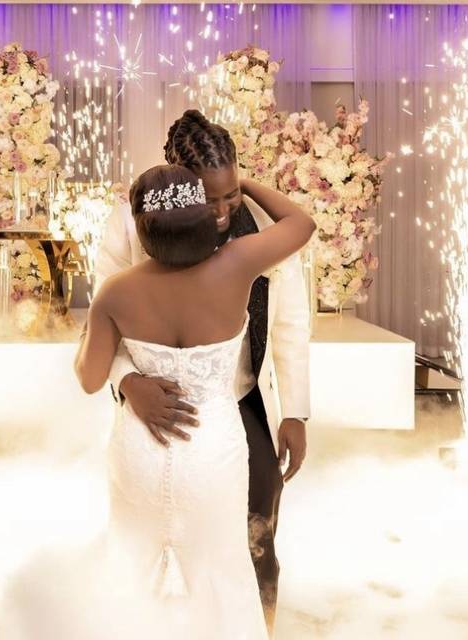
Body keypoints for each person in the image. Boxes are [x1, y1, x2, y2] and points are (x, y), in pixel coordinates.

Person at [75, 164, 315, 637]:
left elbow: (88, 378)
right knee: (222, 569)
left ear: (143, 231)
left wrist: (104, 350)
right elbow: (302, 224)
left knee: (132, 562)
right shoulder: (238, 265)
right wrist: (243, 183)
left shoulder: (115, 292)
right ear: (204, 219)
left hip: (141, 449)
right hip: (212, 452)